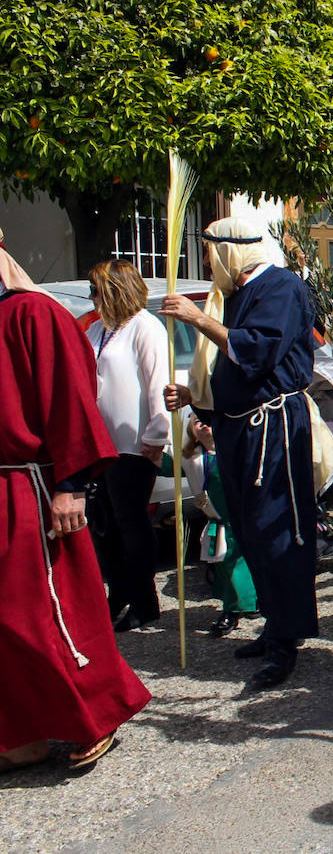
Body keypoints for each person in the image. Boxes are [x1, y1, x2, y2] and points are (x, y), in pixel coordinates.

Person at [0, 248, 151, 772]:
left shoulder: (32, 313)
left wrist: (70, 484)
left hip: (31, 487)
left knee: (43, 614)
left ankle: (96, 712)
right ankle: (22, 733)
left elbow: (69, 396)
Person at [161, 217, 318, 691]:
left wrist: (197, 320)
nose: (210, 264)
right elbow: (231, 375)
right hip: (235, 430)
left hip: (272, 428)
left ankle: (287, 640)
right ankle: (274, 625)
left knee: (277, 530)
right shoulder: (230, 296)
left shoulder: (281, 287)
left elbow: (257, 351)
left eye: (212, 253)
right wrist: (193, 398)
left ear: (232, 251)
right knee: (248, 531)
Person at [85, 259, 171, 632]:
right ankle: (117, 593)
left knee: (131, 524)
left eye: (95, 290)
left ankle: (144, 601)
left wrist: (156, 435)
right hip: (102, 445)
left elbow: (157, 382)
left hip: (134, 446)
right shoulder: (99, 330)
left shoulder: (144, 328)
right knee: (105, 526)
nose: (91, 298)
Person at [170, 417, 259, 638]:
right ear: (192, 432)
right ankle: (236, 607)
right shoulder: (192, 459)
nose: (204, 425)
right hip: (218, 523)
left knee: (240, 564)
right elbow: (166, 465)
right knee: (224, 565)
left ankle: (241, 606)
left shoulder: (234, 453)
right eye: (198, 422)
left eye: (209, 420)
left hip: (240, 519)